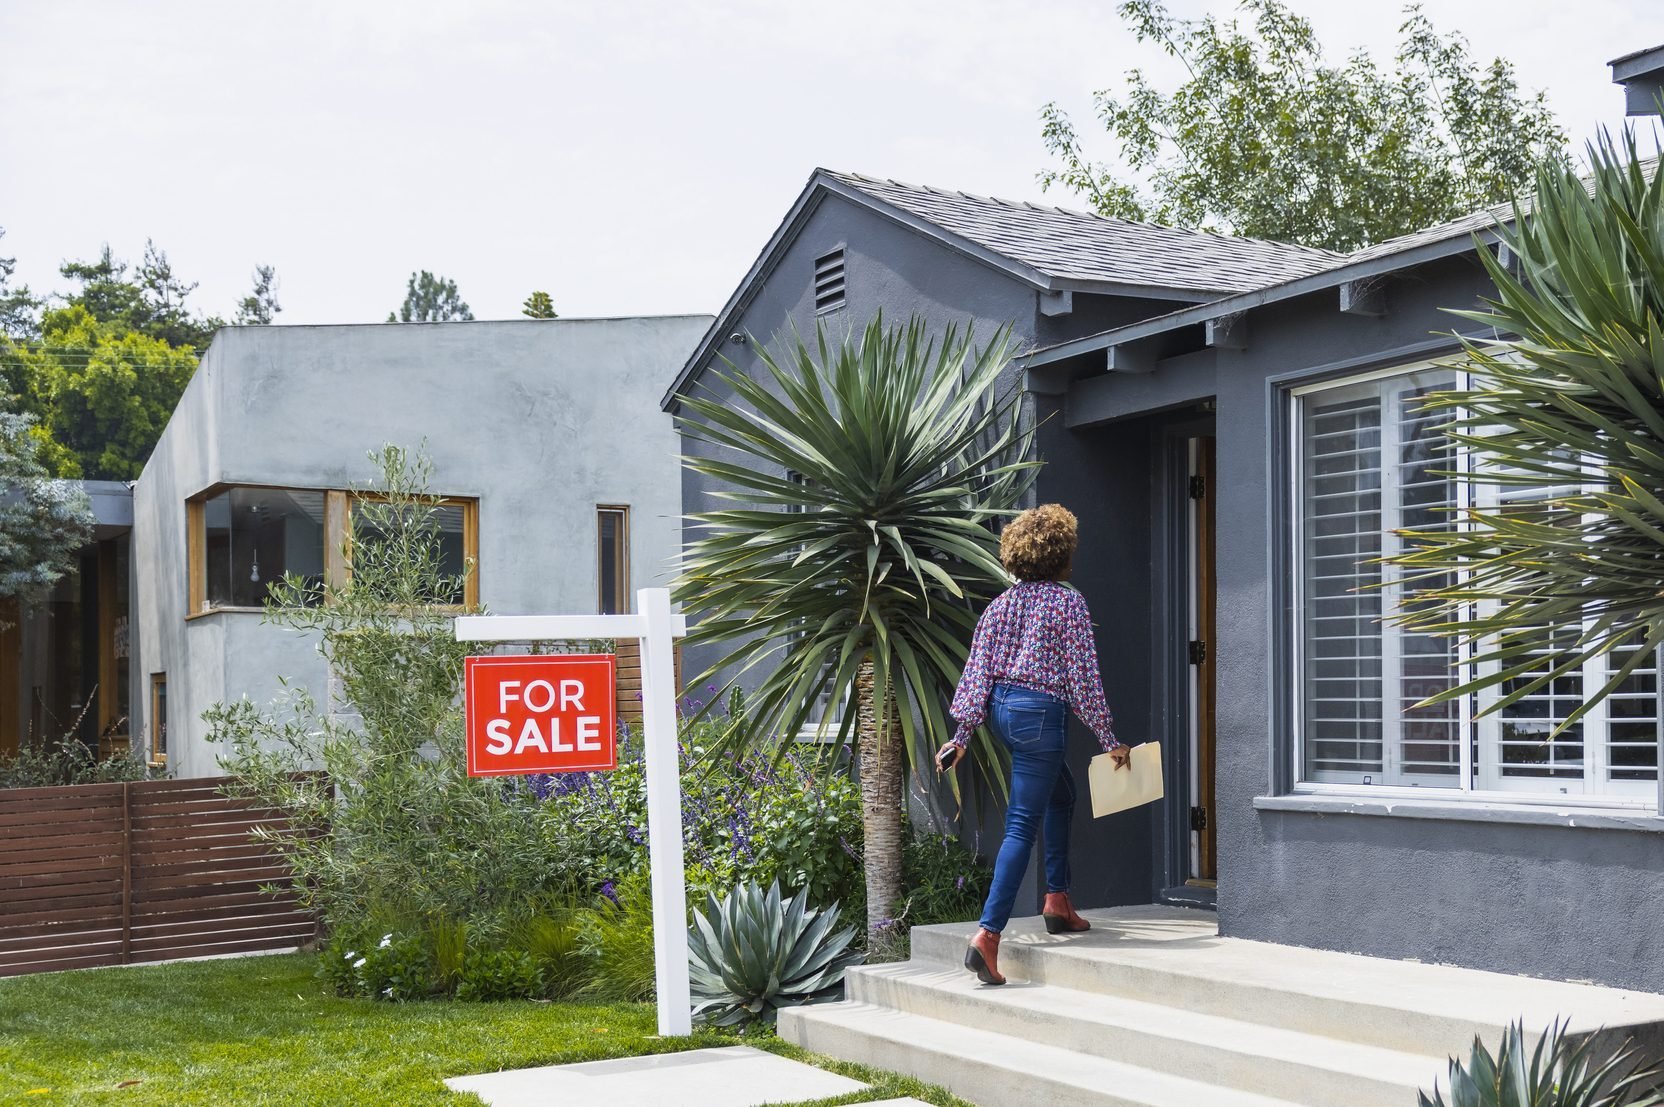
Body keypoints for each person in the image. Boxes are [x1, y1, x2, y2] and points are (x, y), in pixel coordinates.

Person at [936, 503, 1128, 986]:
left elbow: (977, 670)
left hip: (1003, 713)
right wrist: (1110, 741)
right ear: (1061, 554)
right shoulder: (1069, 604)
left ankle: (1057, 901)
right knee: (1022, 826)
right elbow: (1084, 680)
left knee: (1061, 794)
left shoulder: (1002, 604)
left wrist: (961, 735)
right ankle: (988, 935)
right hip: (1041, 715)